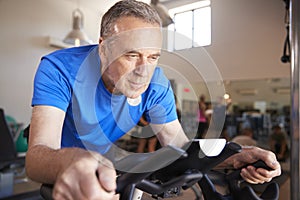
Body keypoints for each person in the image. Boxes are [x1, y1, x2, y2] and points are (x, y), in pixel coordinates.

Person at [25, 1, 281, 199]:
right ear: (103, 48)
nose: (143, 70)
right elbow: (36, 158)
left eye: (152, 57)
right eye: (131, 55)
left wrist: (237, 156)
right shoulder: (59, 68)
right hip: (63, 163)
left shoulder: (156, 84)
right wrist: (78, 160)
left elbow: (179, 148)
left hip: (107, 167)